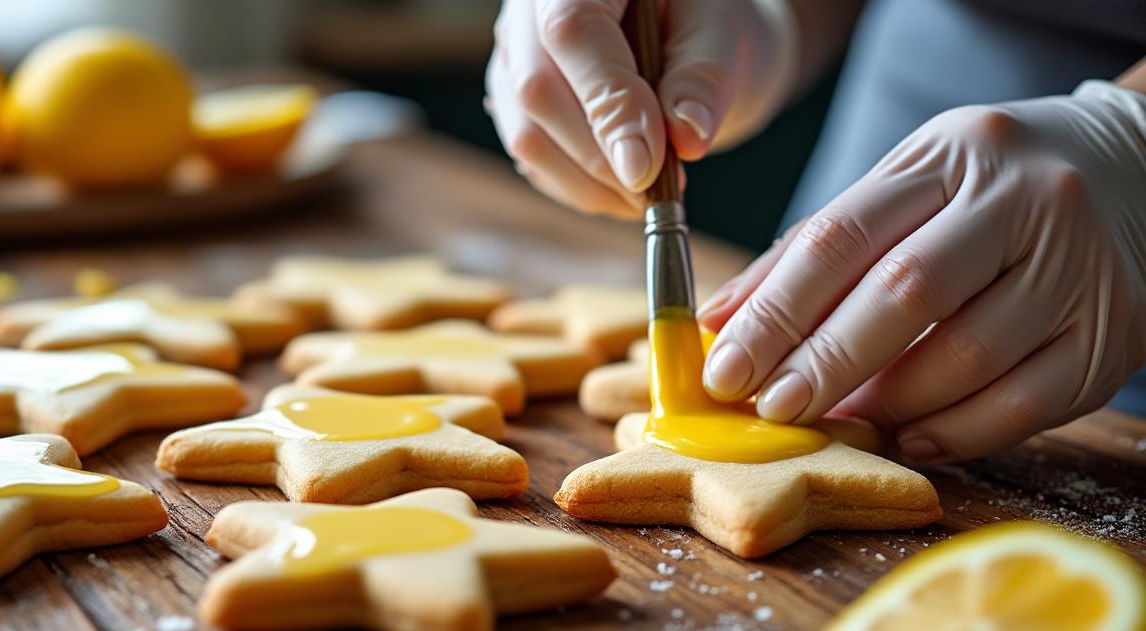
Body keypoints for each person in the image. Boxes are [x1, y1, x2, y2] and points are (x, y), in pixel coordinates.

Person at [484, 0, 1146, 463]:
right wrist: (762, 15)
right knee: (823, 365)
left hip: (1116, 202)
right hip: (927, 81)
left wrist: (1133, 133)